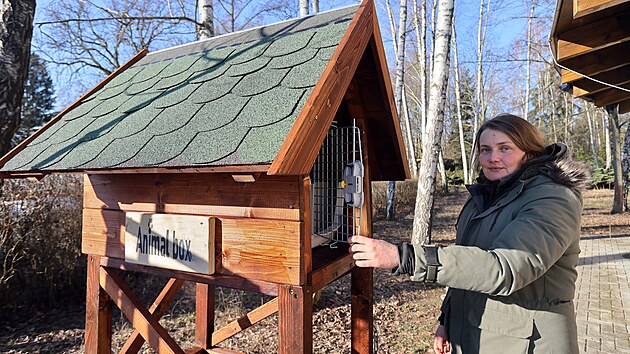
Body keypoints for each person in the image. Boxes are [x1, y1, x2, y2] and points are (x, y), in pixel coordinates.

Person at [349, 113, 590, 354]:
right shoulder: (484, 197)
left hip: (530, 343)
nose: (493, 158)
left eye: (504, 148)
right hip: (479, 334)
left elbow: (505, 269)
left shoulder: (553, 198)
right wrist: (447, 320)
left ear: (529, 152)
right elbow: (469, 265)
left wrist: (405, 257)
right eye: (485, 150)